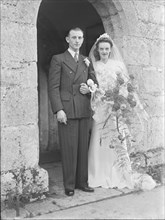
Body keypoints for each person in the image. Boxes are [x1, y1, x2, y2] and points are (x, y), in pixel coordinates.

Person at [87, 33, 156, 191]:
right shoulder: (95, 66)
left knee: (118, 140)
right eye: (102, 49)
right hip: (101, 107)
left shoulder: (117, 65)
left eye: (107, 48)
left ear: (111, 49)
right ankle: (98, 174)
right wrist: (98, 95)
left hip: (116, 109)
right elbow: (94, 88)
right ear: (97, 50)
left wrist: (121, 100)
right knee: (100, 140)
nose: (104, 51)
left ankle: (120, 174)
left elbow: (125, 86)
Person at [48, 27, 98, 196]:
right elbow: (53, 87)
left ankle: (82, 182)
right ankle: (69, 185)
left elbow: (95, 84)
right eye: (74, 37)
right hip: (67, 110)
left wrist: (89, 90)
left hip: (83, 109)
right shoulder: (58, 59)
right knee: (69, 148)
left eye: (80, 38)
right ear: (67, 39)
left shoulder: (86, 60)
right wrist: (58, 109)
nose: (77, 41)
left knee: (83, 147)